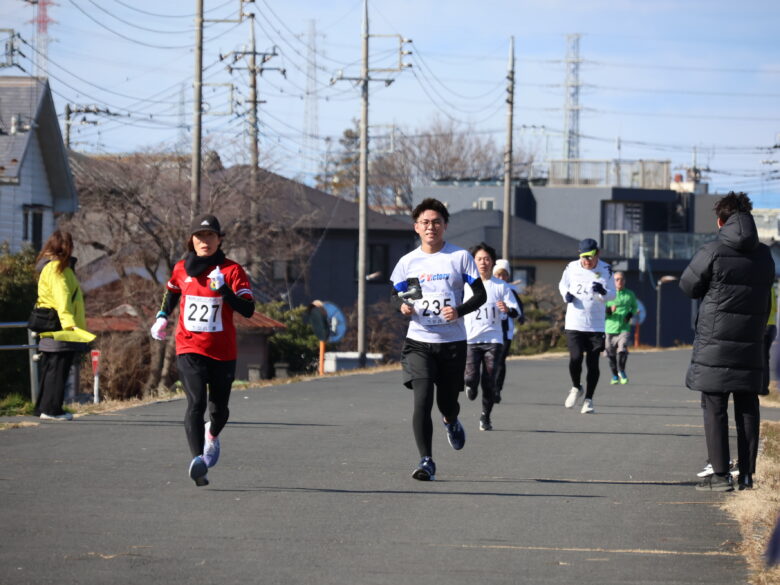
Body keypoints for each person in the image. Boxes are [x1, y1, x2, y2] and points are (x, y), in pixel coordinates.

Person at [150, 214, 254, 487]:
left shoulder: (232, 271)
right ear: (191, 241)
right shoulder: (182, 268)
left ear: (219, 240)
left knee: (219, 411)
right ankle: (198, 461)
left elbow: (248, 309)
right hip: (189, 346)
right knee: (195, 403)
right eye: (199, 236)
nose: (204, 241)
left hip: (222, 351)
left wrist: (225, 292)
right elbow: (172, 290)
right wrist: (162, 315)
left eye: (210, 236)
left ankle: (212, 435)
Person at [679, 192, 774, 492]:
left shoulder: (713, 251)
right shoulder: (765, 254)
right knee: (748, 405)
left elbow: (688, 285)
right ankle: (746, 476)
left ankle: (720, 475)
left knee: (714, 405)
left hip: (715, 342)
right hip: (751, 341)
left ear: (721, 220)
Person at [390, 198, 486, 481]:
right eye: (425, 222)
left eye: (436, 222)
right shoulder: (408, 262)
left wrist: (458, 310)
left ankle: (451, 420)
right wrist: (403, 305)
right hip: (419, 341)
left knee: (447, 403)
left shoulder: (459, 257)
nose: (430, 227)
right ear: (416, 227)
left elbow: (480, 295)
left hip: (452, 342)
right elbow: (397, 293)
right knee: (422, 400)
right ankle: (426, 460)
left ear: (445, 225)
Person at [33, 230, 95, 420]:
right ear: (65, 246)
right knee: (58, 367)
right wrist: (71, 327)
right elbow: (63, 299)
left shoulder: (50, 266)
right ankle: (52, 410)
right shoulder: (57, 268)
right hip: (60, 325)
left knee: (51, 367)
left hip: (52, 323)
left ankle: (43, 408)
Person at [463, 244, 519, 431]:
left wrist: (507, 309)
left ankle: (485, 416)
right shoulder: (466, 285)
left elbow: (515, 311)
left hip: (493, 340)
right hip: (471, 339)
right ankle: (471, 386)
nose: (483, 263)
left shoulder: (501, 286)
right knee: (471, 378)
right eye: (479, 259)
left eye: (487, 259)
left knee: (489, 380)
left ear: (493, 262)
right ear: (473, 262)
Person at [558, 238, 616, 414]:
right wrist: (565, 295)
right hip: (575, 322)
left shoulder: (606, 269)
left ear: (597, 254)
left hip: (596, 325)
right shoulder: (572, 267)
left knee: (593, 363)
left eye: (590, 257)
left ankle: (589, 399)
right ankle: (576, 387)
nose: (587, 261)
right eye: (583, 257)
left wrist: (603, 292)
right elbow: (562, 284)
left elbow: (613, 294)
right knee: (575, 358)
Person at [493, 259, 524, 405]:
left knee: (500, 360)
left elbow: (518, 310)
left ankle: (497, 389)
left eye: (504, 275)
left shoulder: (511, 290)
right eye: (498, 275)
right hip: (488, 330)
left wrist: (515, 313)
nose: (501, 278)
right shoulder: (488, 287)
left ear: (508, 276)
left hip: (506, 330)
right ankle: (488, 385)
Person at [604, 271, 638, 385]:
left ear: (625, 281)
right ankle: (614, 375)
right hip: (610, 328)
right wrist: (609, 310)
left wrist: (630, 314)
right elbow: (601, 311)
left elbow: (634, 307)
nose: (619, 281)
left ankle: (622, 371)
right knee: (610, 353)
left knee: (622, 349)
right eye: (617, 279)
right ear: (613, 281)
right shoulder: (608, 294)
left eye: (621, 279)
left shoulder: (630, 294)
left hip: (624, 327)